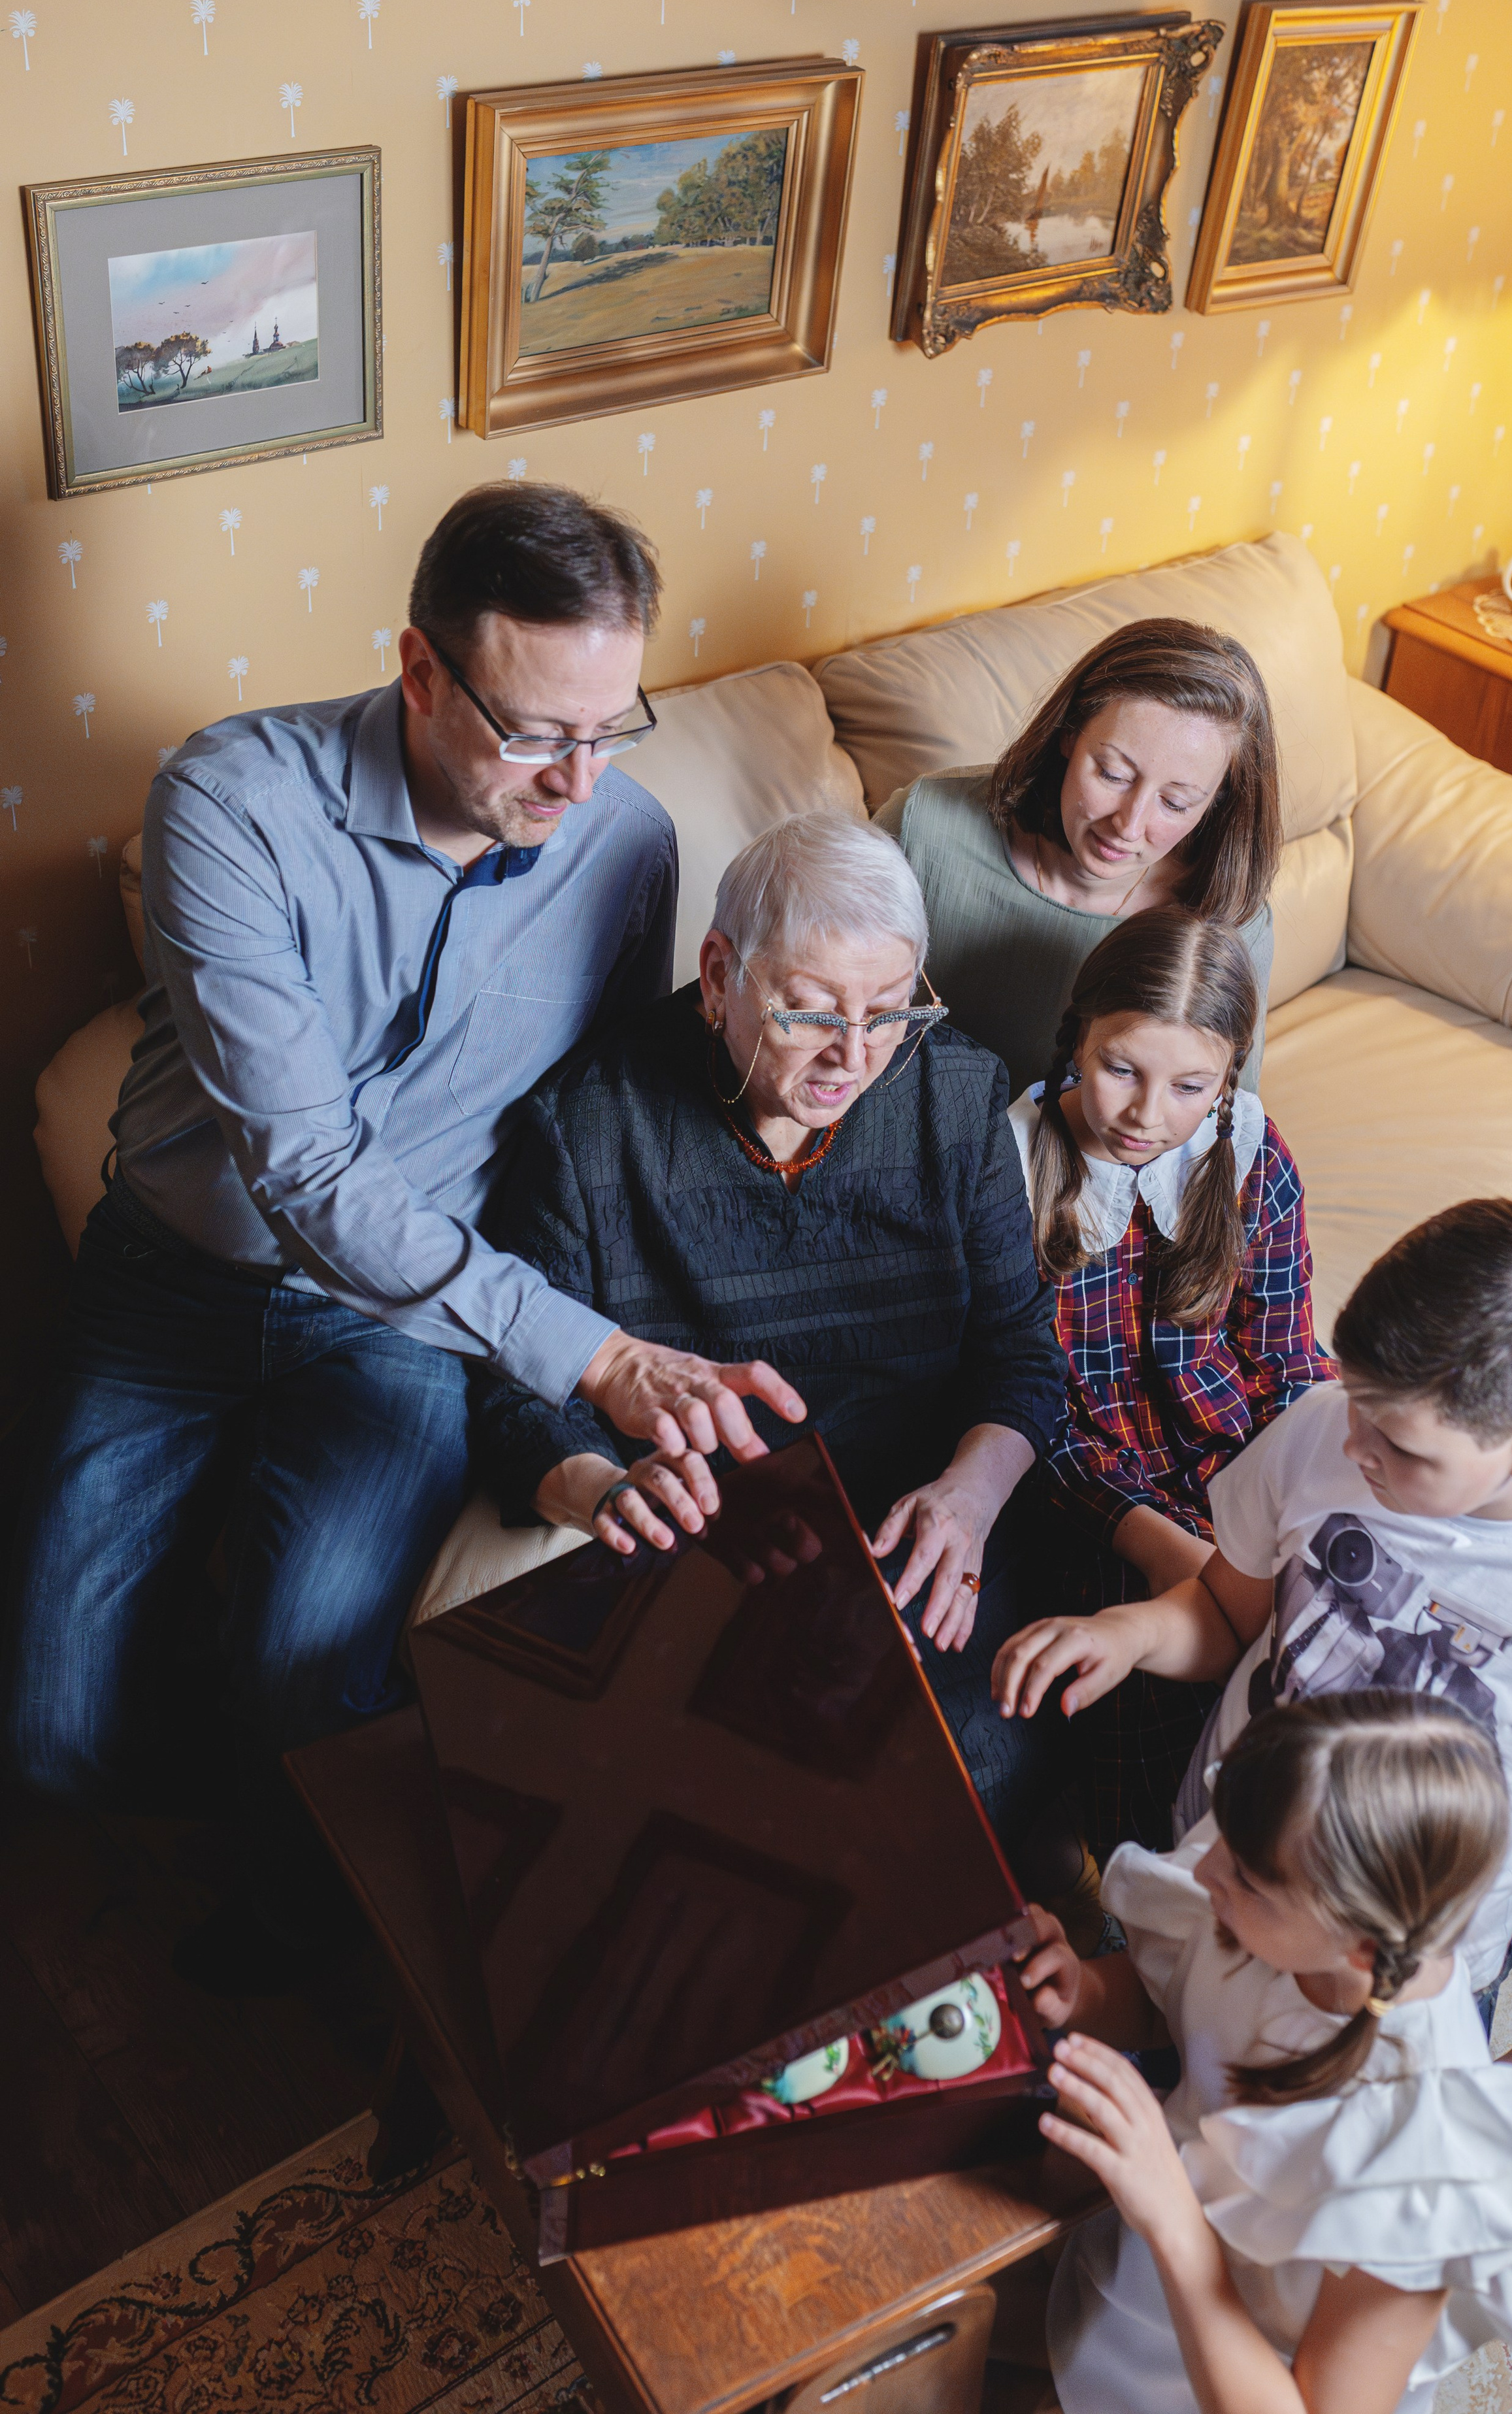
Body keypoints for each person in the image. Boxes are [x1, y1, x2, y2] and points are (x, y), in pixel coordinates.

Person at [5, 480, 804, 1988]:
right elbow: (304, 1167)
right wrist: (594, 1353)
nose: (577, 782)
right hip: (166, 1285)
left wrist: (602, 1374)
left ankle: (313, 1910)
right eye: (533, 732)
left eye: (607, 725)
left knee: (309, 1668)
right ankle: (245, 1779)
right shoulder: (230, 797)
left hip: (400, 1325)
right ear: (419, 670)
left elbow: (590, 1114)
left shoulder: (622, 840)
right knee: (50, 1738)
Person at [994, 1199, 1512, 2200]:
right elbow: (1228, 1613)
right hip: (1225, 1868)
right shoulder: (1325, 1431)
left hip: (1399, 1956)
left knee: (1349, 2188)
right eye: (1353, 1403)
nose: (1354, 1448)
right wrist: (1130, 1632)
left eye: (1398, 1446)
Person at [472, 810, 1077, 1885]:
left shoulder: (955, 1097)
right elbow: (519, 1389)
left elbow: (1017, 1348)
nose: (855, 1056)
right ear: (719, 975)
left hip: (918, 1518)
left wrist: (970, 1499)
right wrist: (606, 1490)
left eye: (890, 1012)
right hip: (713, 1547)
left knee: (975, 1765)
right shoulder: (590, 1128)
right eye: (811, 1011)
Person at [1021, 1693, 1512, 2414]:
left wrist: (1174, 2221)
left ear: (1359, 1942)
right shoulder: (1262, 1884)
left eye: (1244, 1878)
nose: (1205, 1876)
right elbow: (1171, 2005)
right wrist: (1082, 1993)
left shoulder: (1422, 2155)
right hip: (1135, 2281)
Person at [1011, 908, 1332, 1855]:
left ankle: (1334, 1870)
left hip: (1247, 1463)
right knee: (1156, 1667)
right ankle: (1152, 1887)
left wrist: (1301, 1512)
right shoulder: (1013, 1169)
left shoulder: (1250, 1155)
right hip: (1093, 1496)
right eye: (1122, 1069)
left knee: (1356, 1615)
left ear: (1228, 1077)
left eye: (1191, 1084)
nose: (1149, 1113)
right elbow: (1034, 1411)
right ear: (1078, 1038)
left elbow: (1285, 1365)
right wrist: (1162, 1548)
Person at [874, 619, 1282, 1100]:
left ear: (1218, 799)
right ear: (1069, 733)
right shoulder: (926, 824)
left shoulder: (1228, 914)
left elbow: (1226, 1117)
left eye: (1176, 803)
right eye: (1112, 774)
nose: (1128, 826)